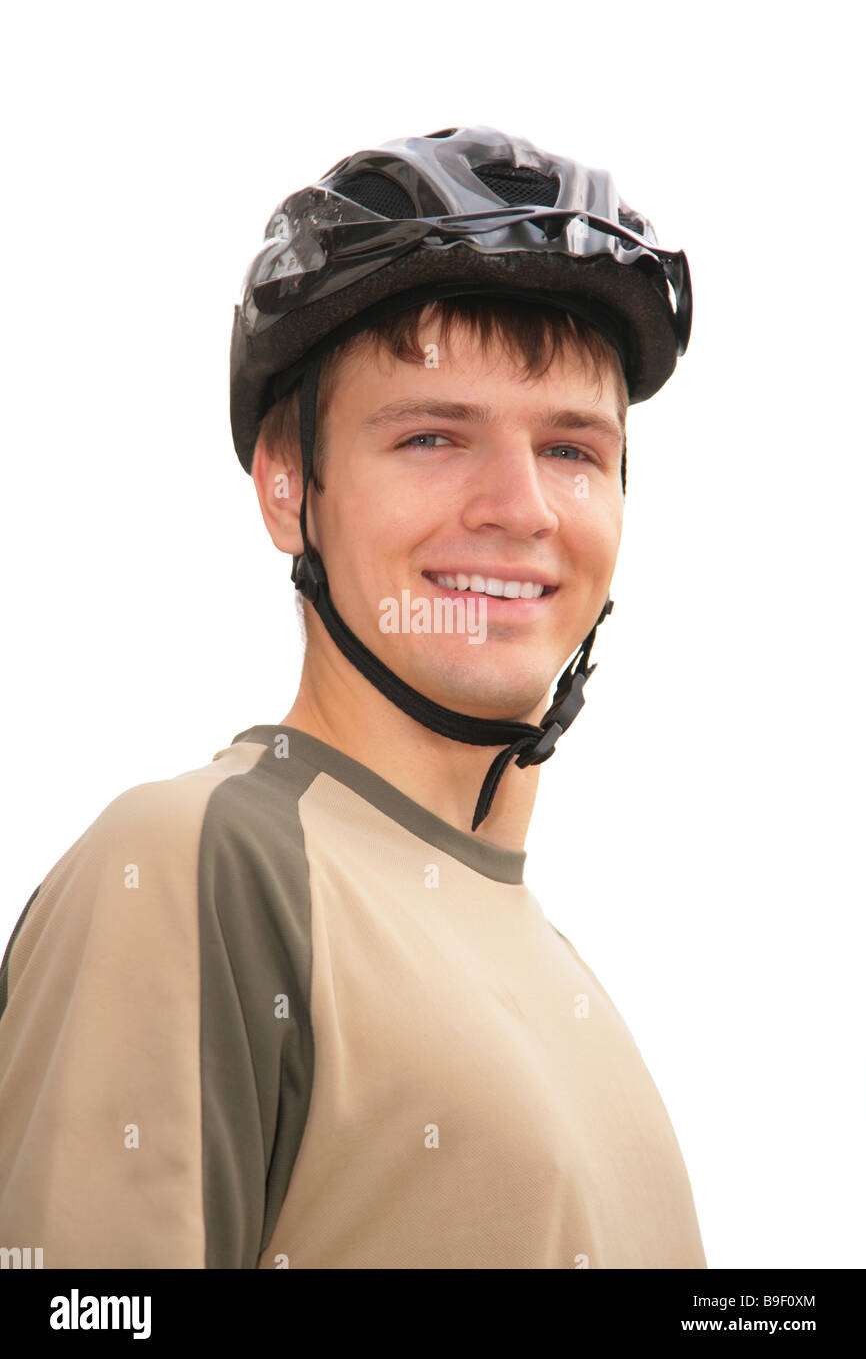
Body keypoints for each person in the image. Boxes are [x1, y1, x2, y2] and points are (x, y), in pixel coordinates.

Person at [0, 125, 705, 1269]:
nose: (518, 507)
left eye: (571, 449)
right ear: (289, 490)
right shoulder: (204, 863)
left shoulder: (577, 999)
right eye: (432, 436)